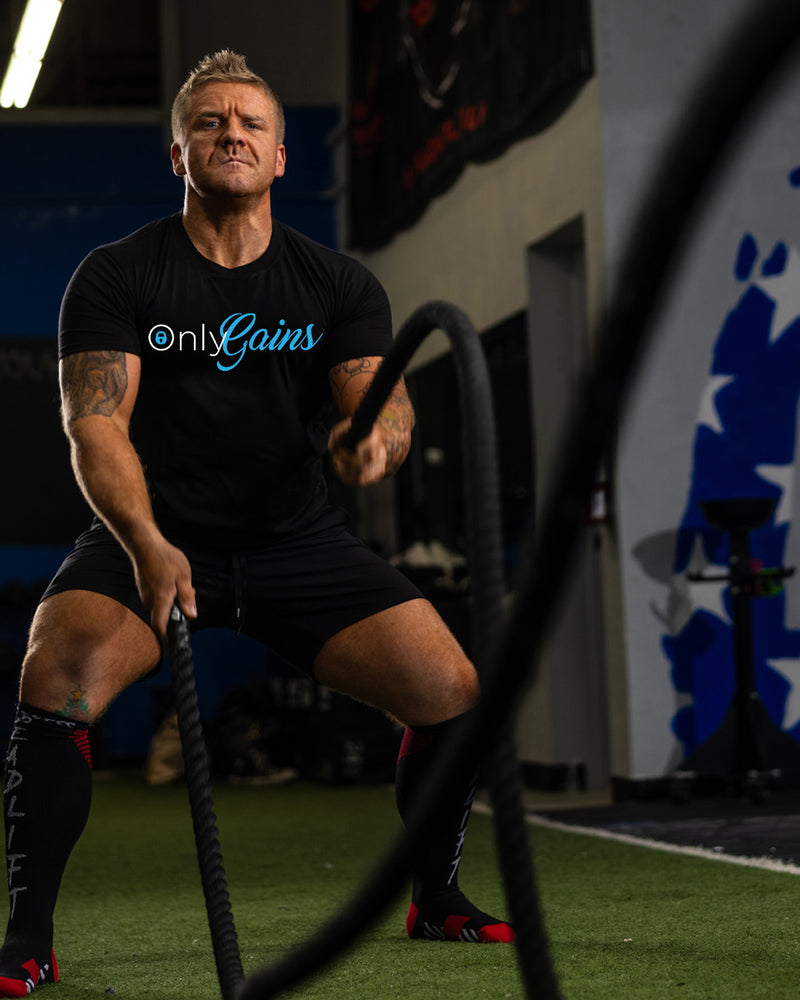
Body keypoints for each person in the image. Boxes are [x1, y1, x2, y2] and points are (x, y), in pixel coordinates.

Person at [0, 50, 513, 997]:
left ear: (281, 157)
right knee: (56, 671)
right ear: (178, 153)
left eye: (250, 124)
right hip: (149, 535)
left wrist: (375, 447)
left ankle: (435, 898)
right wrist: (148, 544)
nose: (230, 132)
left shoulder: (336, 284)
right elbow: (95, 425)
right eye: (209, 123)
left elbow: (381, 406)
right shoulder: (118, 275)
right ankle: (27, 938)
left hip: (294, 541)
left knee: (449, 687)